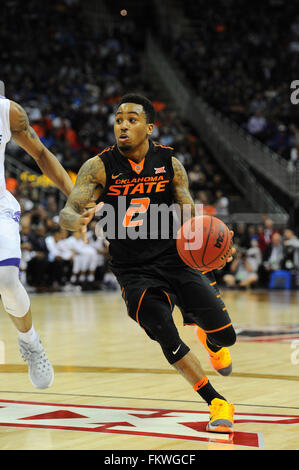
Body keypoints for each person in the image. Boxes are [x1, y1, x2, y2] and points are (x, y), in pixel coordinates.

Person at [59, 93, 236, 433]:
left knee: (226, 337)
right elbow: (69, 209)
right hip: (133, 270)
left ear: (150, 127)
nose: (122, 125)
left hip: (176, 258)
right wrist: (75, 218)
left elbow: (187, 209)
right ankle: (217, 401)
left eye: (132, 119)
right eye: (118, 119)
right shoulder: (99, 166)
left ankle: (210, 338)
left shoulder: (169, 162)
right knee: (162, 331)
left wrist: (213, 245)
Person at [0, 89, 73, 389]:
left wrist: (74, 195)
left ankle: (30, 342)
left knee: (5, 278)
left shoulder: (7, 112)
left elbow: (41, 154)